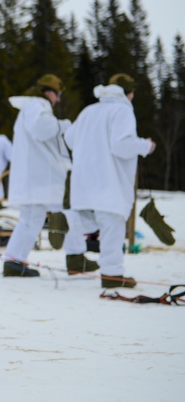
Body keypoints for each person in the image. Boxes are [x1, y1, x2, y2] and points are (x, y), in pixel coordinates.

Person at [64, 74, 155, 288]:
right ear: (128, 92)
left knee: (87, 218)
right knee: (112, 226)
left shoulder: (89, 110)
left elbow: (69, 138)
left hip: (84, 179)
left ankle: (68, 223)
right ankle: (112, 275)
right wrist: (145, 146)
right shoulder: (122, 110)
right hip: (108, 181)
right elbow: (121, 146)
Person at [2, 73, 95, 277]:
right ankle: (75, 259)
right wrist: (65, 125)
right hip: (44, 176)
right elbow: (43, 129)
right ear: (47, 92)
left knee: (36, 217)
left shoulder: (31, 108)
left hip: (38, 176)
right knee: (67, 211)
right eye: (57, 94)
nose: (58, 100)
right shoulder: (37, 106)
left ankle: (14, 260)